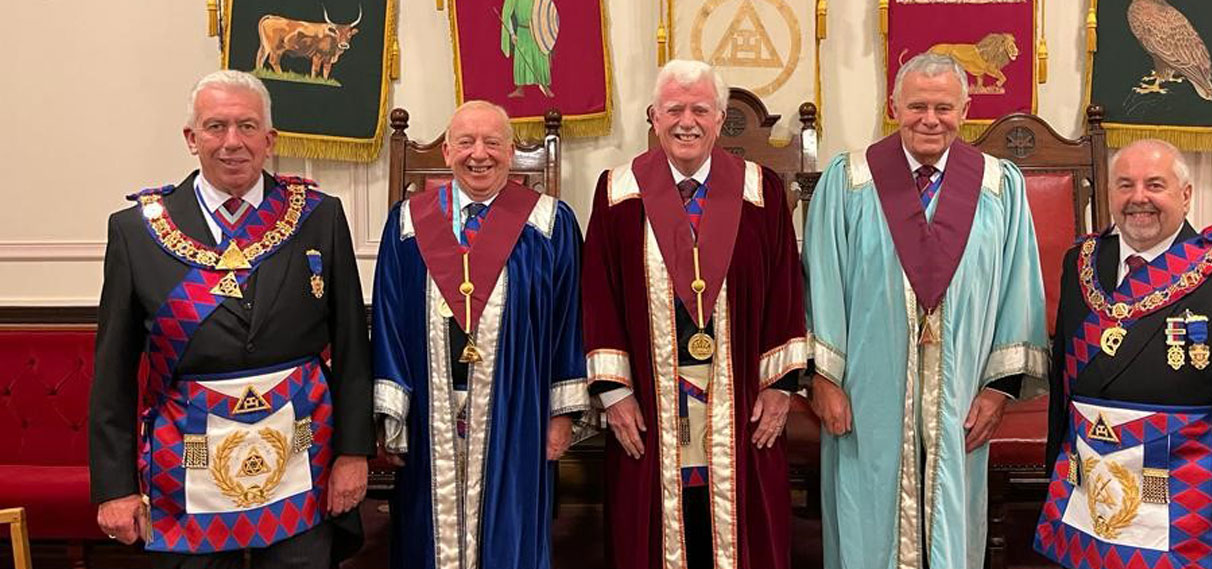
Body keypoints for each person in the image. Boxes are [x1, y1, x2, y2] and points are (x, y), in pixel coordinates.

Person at [89, 69, 373, 568]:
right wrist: (114, 487)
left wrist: (353, 453)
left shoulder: (319, 215)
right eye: (216, 126)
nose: (232, 143)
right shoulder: (136, 231)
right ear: (191, 138)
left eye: (246, 126)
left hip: (301, 457)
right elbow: (113, 371)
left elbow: (351, 344)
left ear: (270, 138)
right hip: (187, 463)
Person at [803, 53, 1048, 569]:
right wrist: (824, 382)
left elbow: (1017, 290)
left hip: (961, 387)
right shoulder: (849, 183)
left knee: (952, 509)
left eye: (943, 106)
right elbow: (819, 281)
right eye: (917, 106)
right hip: (867, 388)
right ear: (893, 106)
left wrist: (997, 389)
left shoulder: (999, 187)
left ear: (966, 108)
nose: (930, 119)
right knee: (866, 502)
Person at [583, 59, 808, 569]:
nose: (687, 121)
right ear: (653, 117)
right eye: (675, 109)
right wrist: (615, 394)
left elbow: (784, 291)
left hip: (740, 396)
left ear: (720, 117)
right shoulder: (618, 192)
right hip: (650, 396)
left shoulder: (761, 191)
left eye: (700, 109)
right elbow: (598, 295)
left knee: (741, 524)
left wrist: (779, 386)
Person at [1034, 139, 1212, 568]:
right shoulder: (1079, 262)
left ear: (1185, 195)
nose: (1139, 198)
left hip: (1184, 498)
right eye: (1125, 185)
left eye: (1155, 184)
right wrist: (1054, 475)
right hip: (1089, 491)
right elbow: (1065, 377)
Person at [372, 100, 588, 569]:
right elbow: (387, 321)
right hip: (429, 411)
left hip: (520, 409)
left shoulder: (550, 224)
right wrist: (393, 416)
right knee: (427, 530)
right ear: (447, 151)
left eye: (492, 142)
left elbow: (569, 322)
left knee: (511, 527)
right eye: (466, 142)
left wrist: (561, 416)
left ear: (510, 152)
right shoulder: (408, 224)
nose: (479, 154)